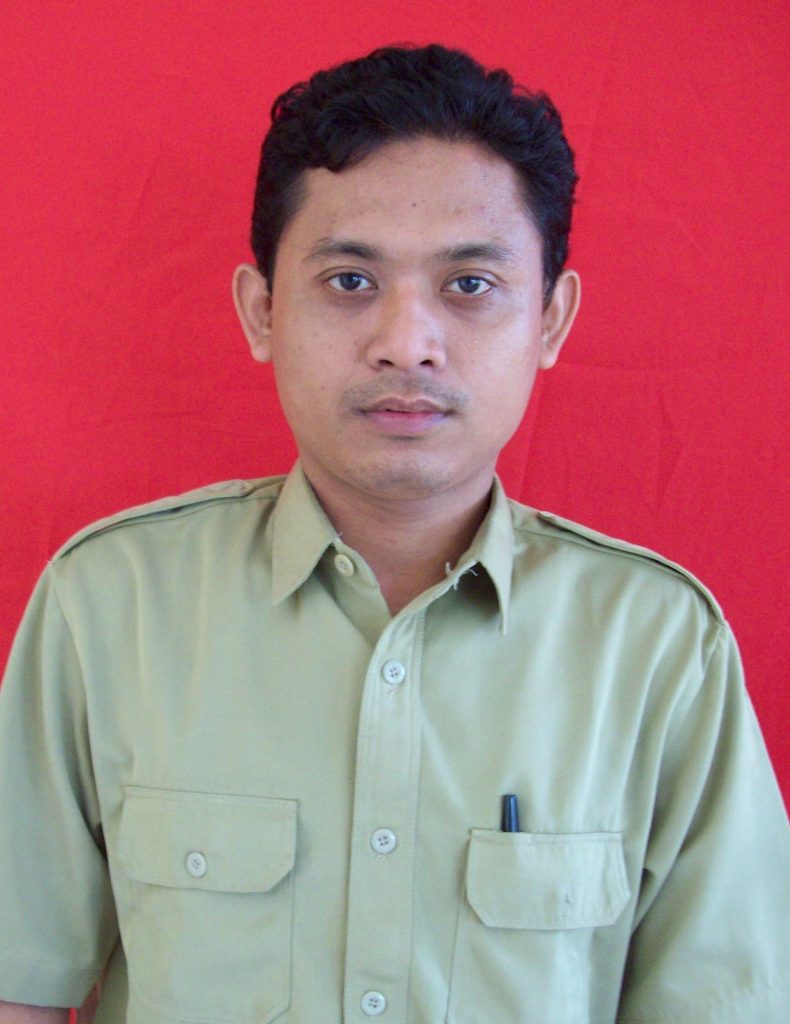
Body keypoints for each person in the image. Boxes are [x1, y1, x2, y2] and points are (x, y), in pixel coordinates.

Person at [0, 43, 786, 1024]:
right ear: (262, 311)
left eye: (470, 285)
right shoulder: (109, 605)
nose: (406, 343)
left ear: (549, 319)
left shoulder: (659, 645)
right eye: (349, 280)